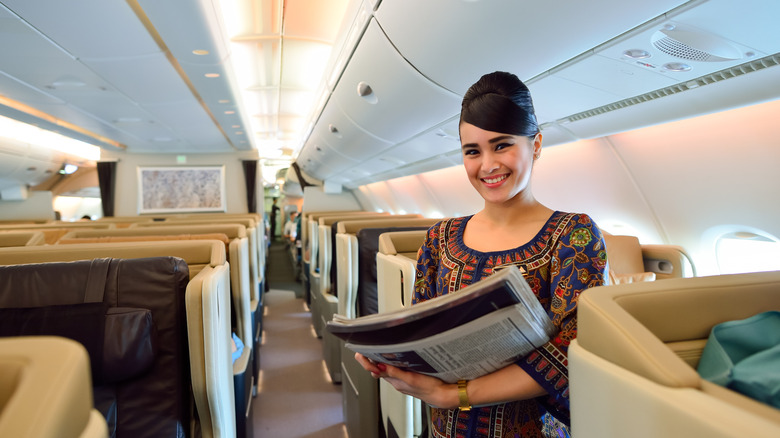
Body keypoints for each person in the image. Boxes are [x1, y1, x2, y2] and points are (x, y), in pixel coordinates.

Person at [355, 71, 608, 438]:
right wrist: (390, 360)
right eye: (473, 151)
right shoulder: (440, 238)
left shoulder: (574, 235)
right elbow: (421, 334)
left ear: (535, 145)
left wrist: (453, 395)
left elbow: (572, 353)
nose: (487, 165)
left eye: (502, 145)